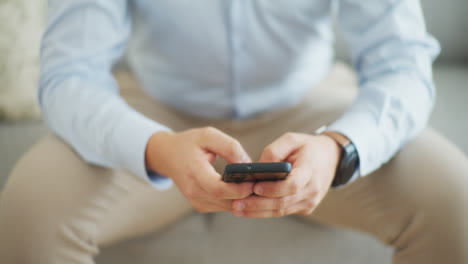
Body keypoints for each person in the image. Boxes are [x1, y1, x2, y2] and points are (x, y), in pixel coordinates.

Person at [1, 1, 467, 263]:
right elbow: (69, 76)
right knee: (28, 210)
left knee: (456, 199)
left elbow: (402, 64)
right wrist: (158, 149)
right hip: (157, 114)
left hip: (311, 105)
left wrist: (338, 149)